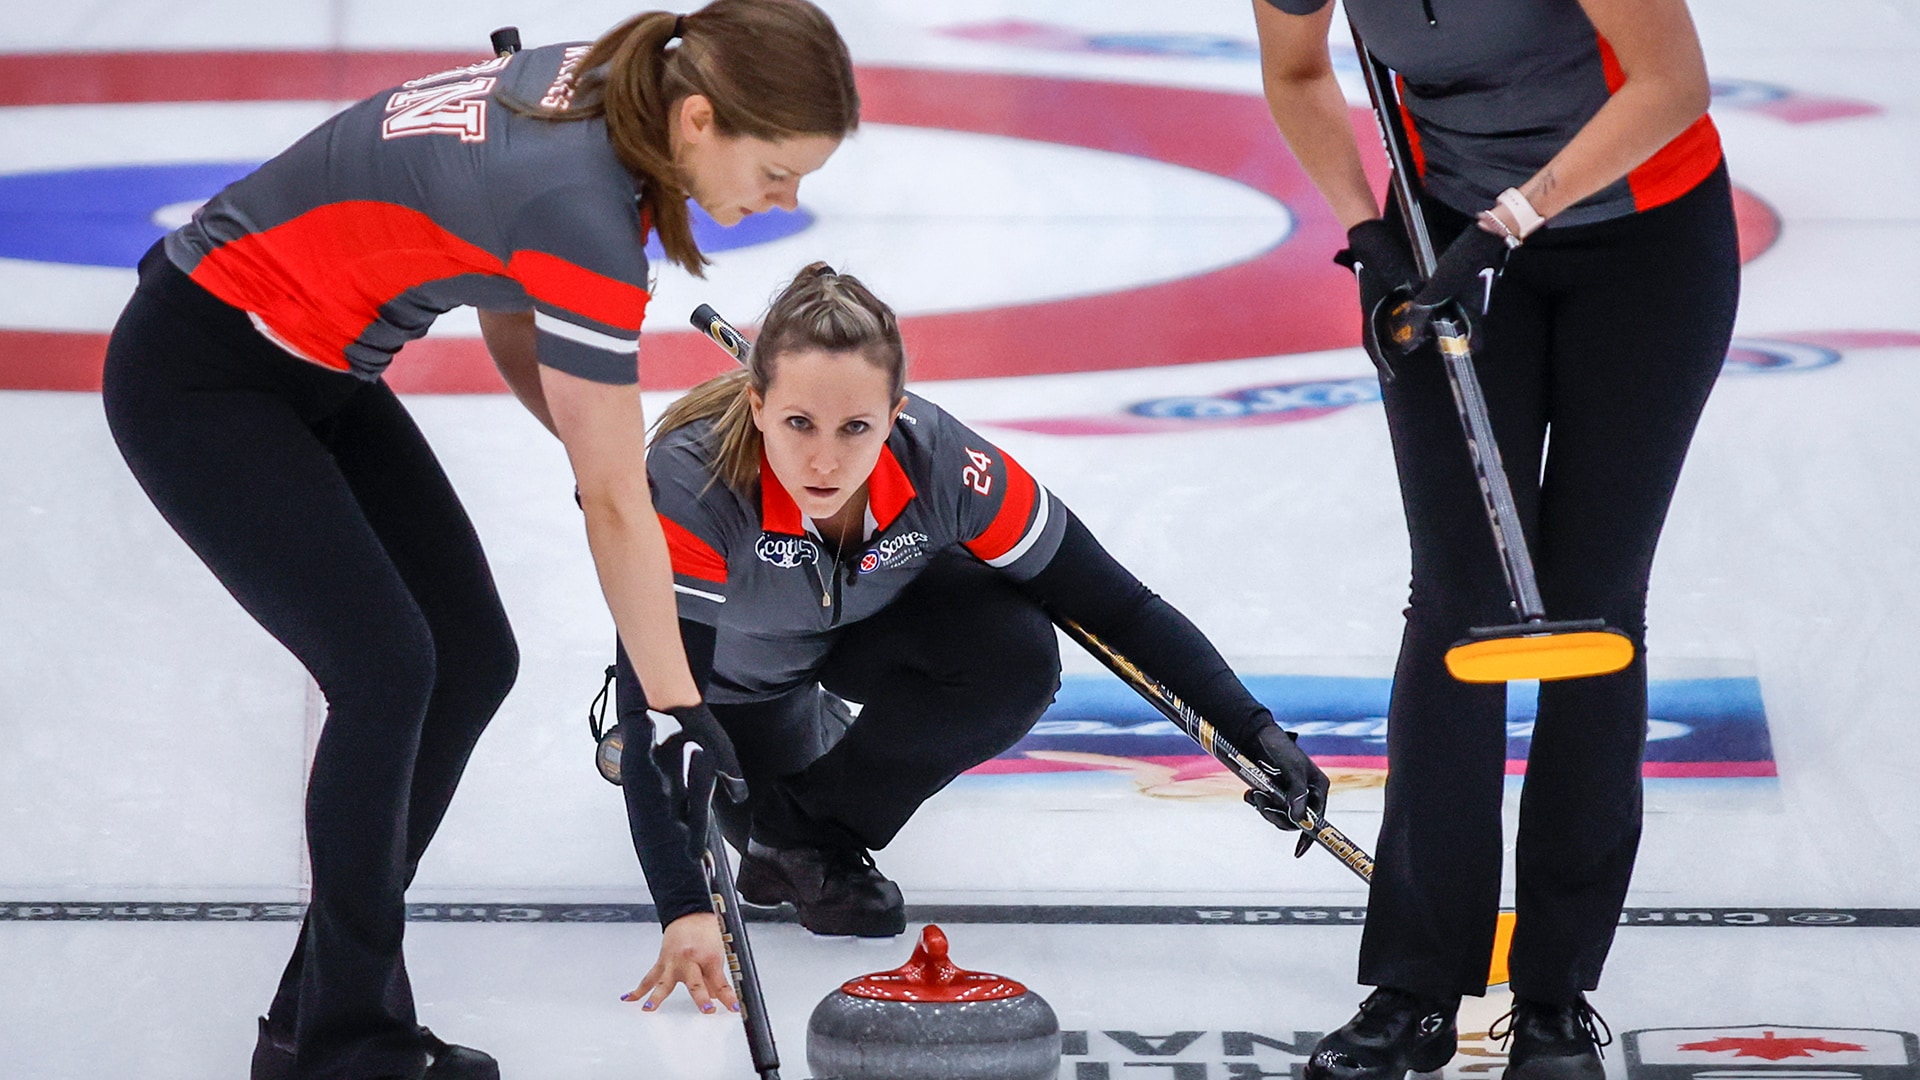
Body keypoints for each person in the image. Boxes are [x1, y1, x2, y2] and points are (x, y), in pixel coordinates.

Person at [99, 4, 858, 1077]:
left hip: (309, 366)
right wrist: (677, 712)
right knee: (388, 667)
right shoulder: (582, 206)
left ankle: (310, 1014)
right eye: (780, 170)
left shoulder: (605, 92)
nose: (785, 201)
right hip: (202, 374)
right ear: (699, 120)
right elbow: (607, 502)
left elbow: (517, 317)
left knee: (467, 657)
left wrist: (631, 495)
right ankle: (345, 1047)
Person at [599, 262, 1332, 1012]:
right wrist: (686, 907)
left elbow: (1117, 607)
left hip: (858, 631)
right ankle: (780, 774)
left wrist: (1254, 731)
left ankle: (808, 827)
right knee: (714, 770)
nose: (825, 460)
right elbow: (660, 713)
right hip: (733, 680)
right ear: (757, 405)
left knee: (1012, 649)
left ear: (896, 412)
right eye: (798, 423)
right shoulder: (690, 484)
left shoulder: (947, 464)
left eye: (856, 427)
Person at [1251, 0, 1739, 1075]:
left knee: (1595, 600)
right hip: (1443, 238)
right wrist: (1369, 235)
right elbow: (1295, 72)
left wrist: (1514, 219)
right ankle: (1417, 986)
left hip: (1644, 245)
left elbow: (1672, 81)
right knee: (1459, 601)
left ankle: (1557, 994)